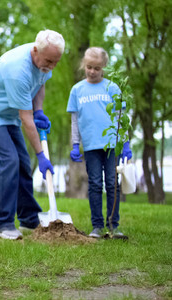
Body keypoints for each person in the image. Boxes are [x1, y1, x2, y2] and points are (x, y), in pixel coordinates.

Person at [0, 30, 65, 240]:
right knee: (9, 161)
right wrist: (41, 155)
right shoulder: (17, 69)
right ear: (35, 50)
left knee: (23, 163)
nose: (51, 67)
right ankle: (3, 223)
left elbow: (40, 84)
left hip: (10, 112)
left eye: (55, 62)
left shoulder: (45, 59)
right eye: (49, 61)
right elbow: (26, 119)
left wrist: (39, 109)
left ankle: (29, 217)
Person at [67, 47, 132, 238]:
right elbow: (75, 121)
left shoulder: (113, 88)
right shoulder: (77, 90)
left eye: (97, 68)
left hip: (112, 145)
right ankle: (97, 226)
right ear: (84, 66)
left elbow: (122, 118)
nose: (92, 71)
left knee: (112, 183)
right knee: (95, 184)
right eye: (89, 67)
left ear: (104, 67)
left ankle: (113, 225)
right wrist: (75, 145)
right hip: (91, 146)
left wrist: (125, 143)